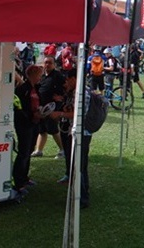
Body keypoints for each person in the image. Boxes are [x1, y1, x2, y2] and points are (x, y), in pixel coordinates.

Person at [49, 69, 94, 208]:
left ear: (75, 78)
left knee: (79, 166)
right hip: (72, 132)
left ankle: (82, 199)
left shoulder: (82, 93)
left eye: (68, 79)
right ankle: (79, 193)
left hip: (81, 134)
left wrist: (60, 113)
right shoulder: (74, 92)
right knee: (77, 165)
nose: (66, 82)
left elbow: (78, 114)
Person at [12, 64, 43, 193]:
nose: (40, 77)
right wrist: (31, 116)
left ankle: (24, 177)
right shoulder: (22, 89)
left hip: (34, 124)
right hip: (24, 124)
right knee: (23, 152)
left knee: (29, 151)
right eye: (39, 75)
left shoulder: (35, 88)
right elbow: (19, 109)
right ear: (32, 75)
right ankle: (18, 182)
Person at [33, 56, 65, 159]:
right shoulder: (42, 75)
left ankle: (63, 150)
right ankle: (39, 150)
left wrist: (62, 97)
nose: (47, 65)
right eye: (46, 62)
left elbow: (67, 86)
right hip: (42, 107)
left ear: (54, 64)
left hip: (52, 108)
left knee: (53, 129)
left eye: (50, 63)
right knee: (42, 130)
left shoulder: (58, 75)